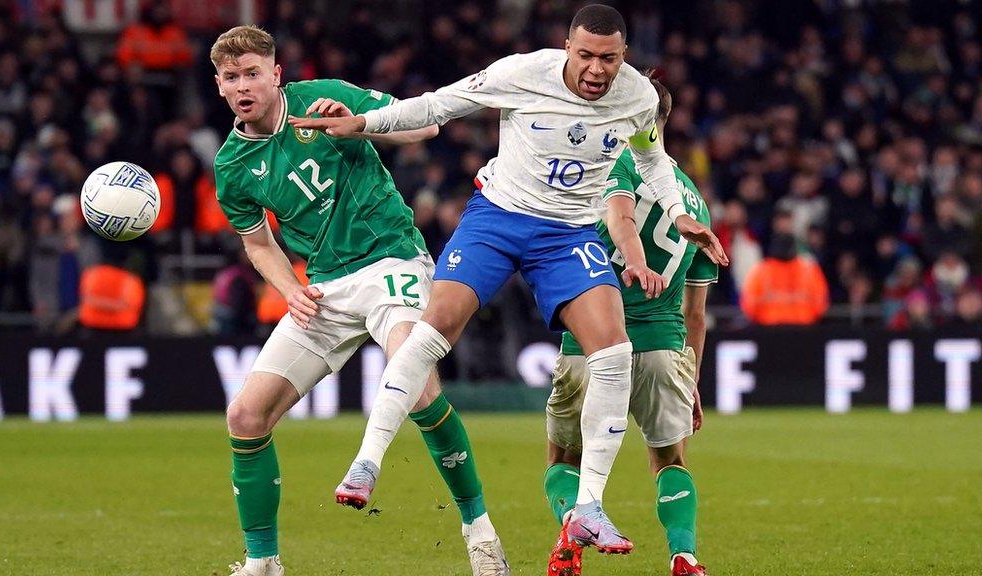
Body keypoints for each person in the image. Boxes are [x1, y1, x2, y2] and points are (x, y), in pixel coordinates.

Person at [292, 4, 727, 554]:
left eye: (609, 59)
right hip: (499, 217)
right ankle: (366, 461)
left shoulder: (638, 96)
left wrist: (677, 211)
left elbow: (651, 158)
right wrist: (365, 125)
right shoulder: (522, 73)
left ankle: (588, 507)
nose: (596, 69)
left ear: (625, 57)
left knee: (614, 352)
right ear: (568, 47)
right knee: (434, 330)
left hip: (567, 234)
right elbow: (436, 105)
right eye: (586, 55)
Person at [209, 26, 509, 576]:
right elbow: (258, 243)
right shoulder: (231, 166)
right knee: (246, 415)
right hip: (322, 289)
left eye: (253, 73)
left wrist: (360, 124)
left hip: (390, 258)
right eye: (232, 77)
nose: (244, 85)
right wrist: (290, 290)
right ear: (221, 87)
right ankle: (262, 563)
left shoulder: (324, 97)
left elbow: (427, 124)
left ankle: (478, 529)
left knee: (415, 382)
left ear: (276, 75)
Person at [544, 76, 715, 576]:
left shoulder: (614, 161)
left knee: (564, 458)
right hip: (666, 347)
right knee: (669, 462)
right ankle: (684, 556)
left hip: (590, 339)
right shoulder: (695, 203)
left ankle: (569, 546)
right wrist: (693, 379)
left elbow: (617, 217)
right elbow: (696, 313)